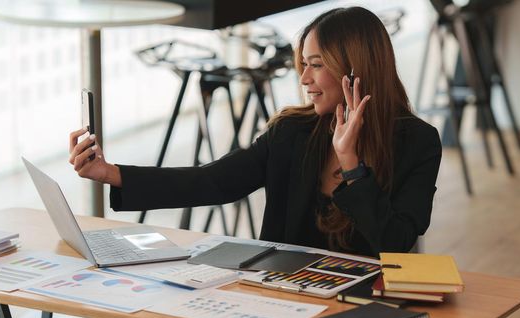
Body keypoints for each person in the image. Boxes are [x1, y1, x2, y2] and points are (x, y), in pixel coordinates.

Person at [68, 6, 442, 258]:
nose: (304, 78)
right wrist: (110, 173)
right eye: (303, 64)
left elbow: (395, 244)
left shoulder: (417, 143)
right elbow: (212, 181)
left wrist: (352, 165)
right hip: (283, 295)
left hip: (365, 305)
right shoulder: (292, 132)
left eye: (316, 65)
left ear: (355, 70)